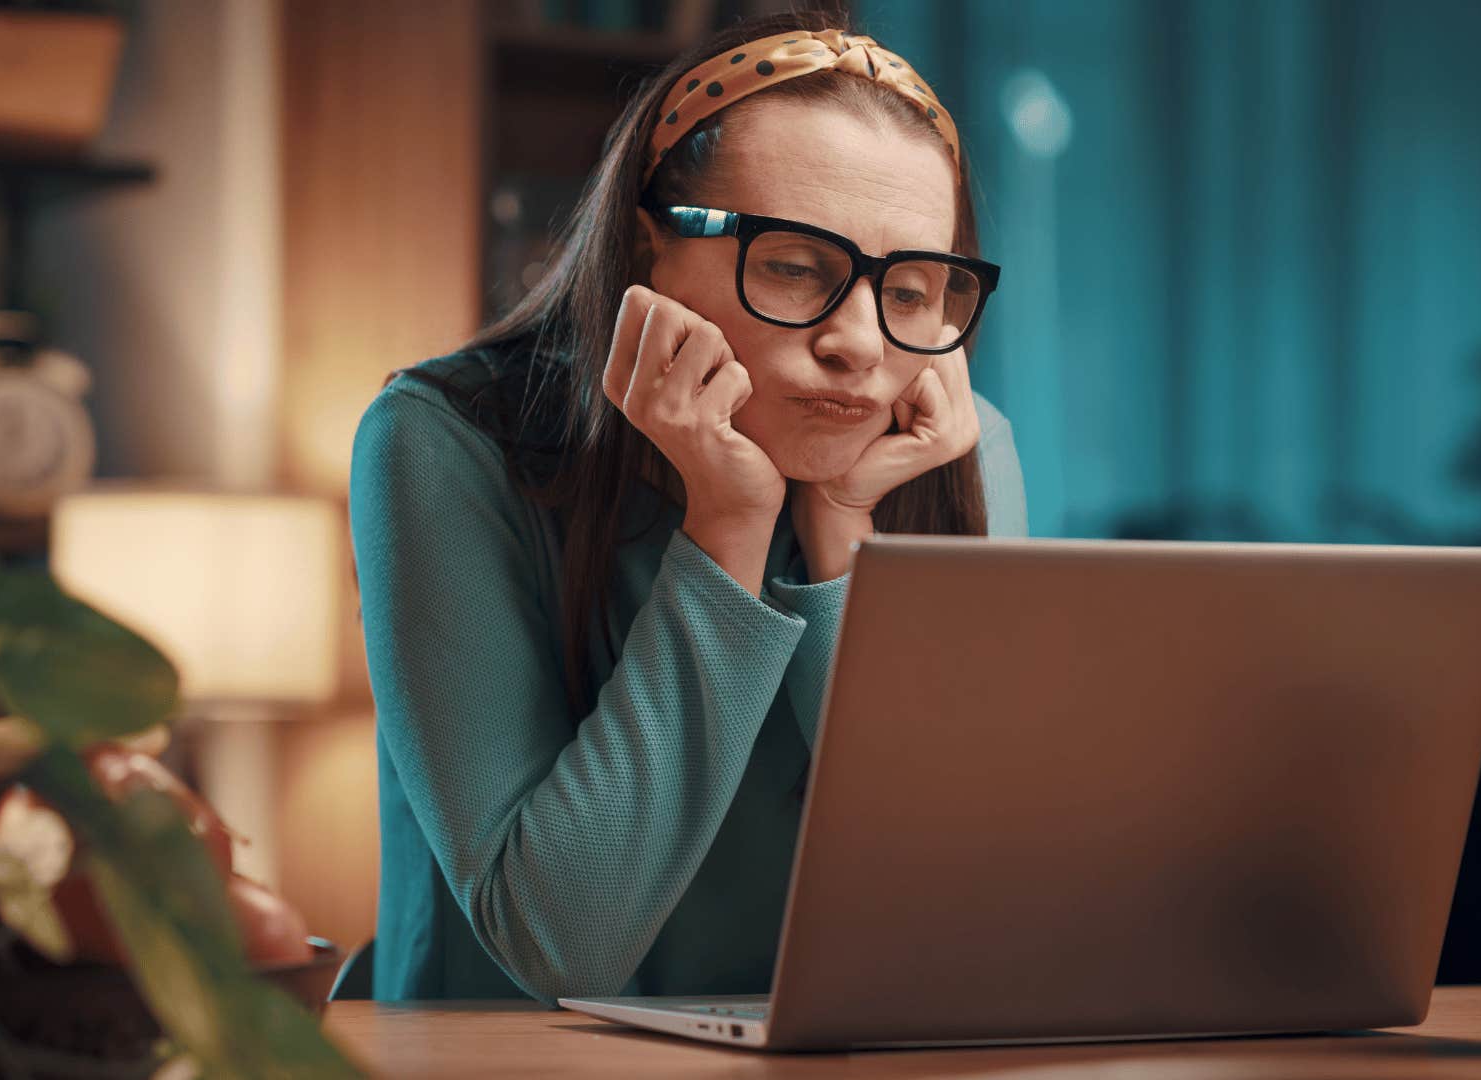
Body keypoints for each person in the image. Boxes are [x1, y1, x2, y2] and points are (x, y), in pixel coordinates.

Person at [347, 12, 1027, 1004]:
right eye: (795, 267)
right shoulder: (442, 443)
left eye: (914, 290)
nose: (861, 345)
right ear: (646, 249)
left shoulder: (956, 449)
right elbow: (562, 945)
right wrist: (730, 529)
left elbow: (951, 918)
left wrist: (845, 540)